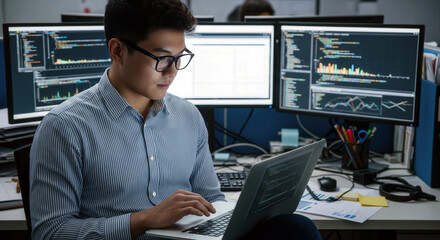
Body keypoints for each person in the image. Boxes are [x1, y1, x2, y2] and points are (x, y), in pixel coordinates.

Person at [29, 0, 321, 239]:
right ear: (118, 50)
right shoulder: (65, 126)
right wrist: (143, 220)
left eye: (180, 57)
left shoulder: (187, 116)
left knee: (296, 228)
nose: (172, 71)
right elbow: (50, 232)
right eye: (162, 58)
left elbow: (211, 198)